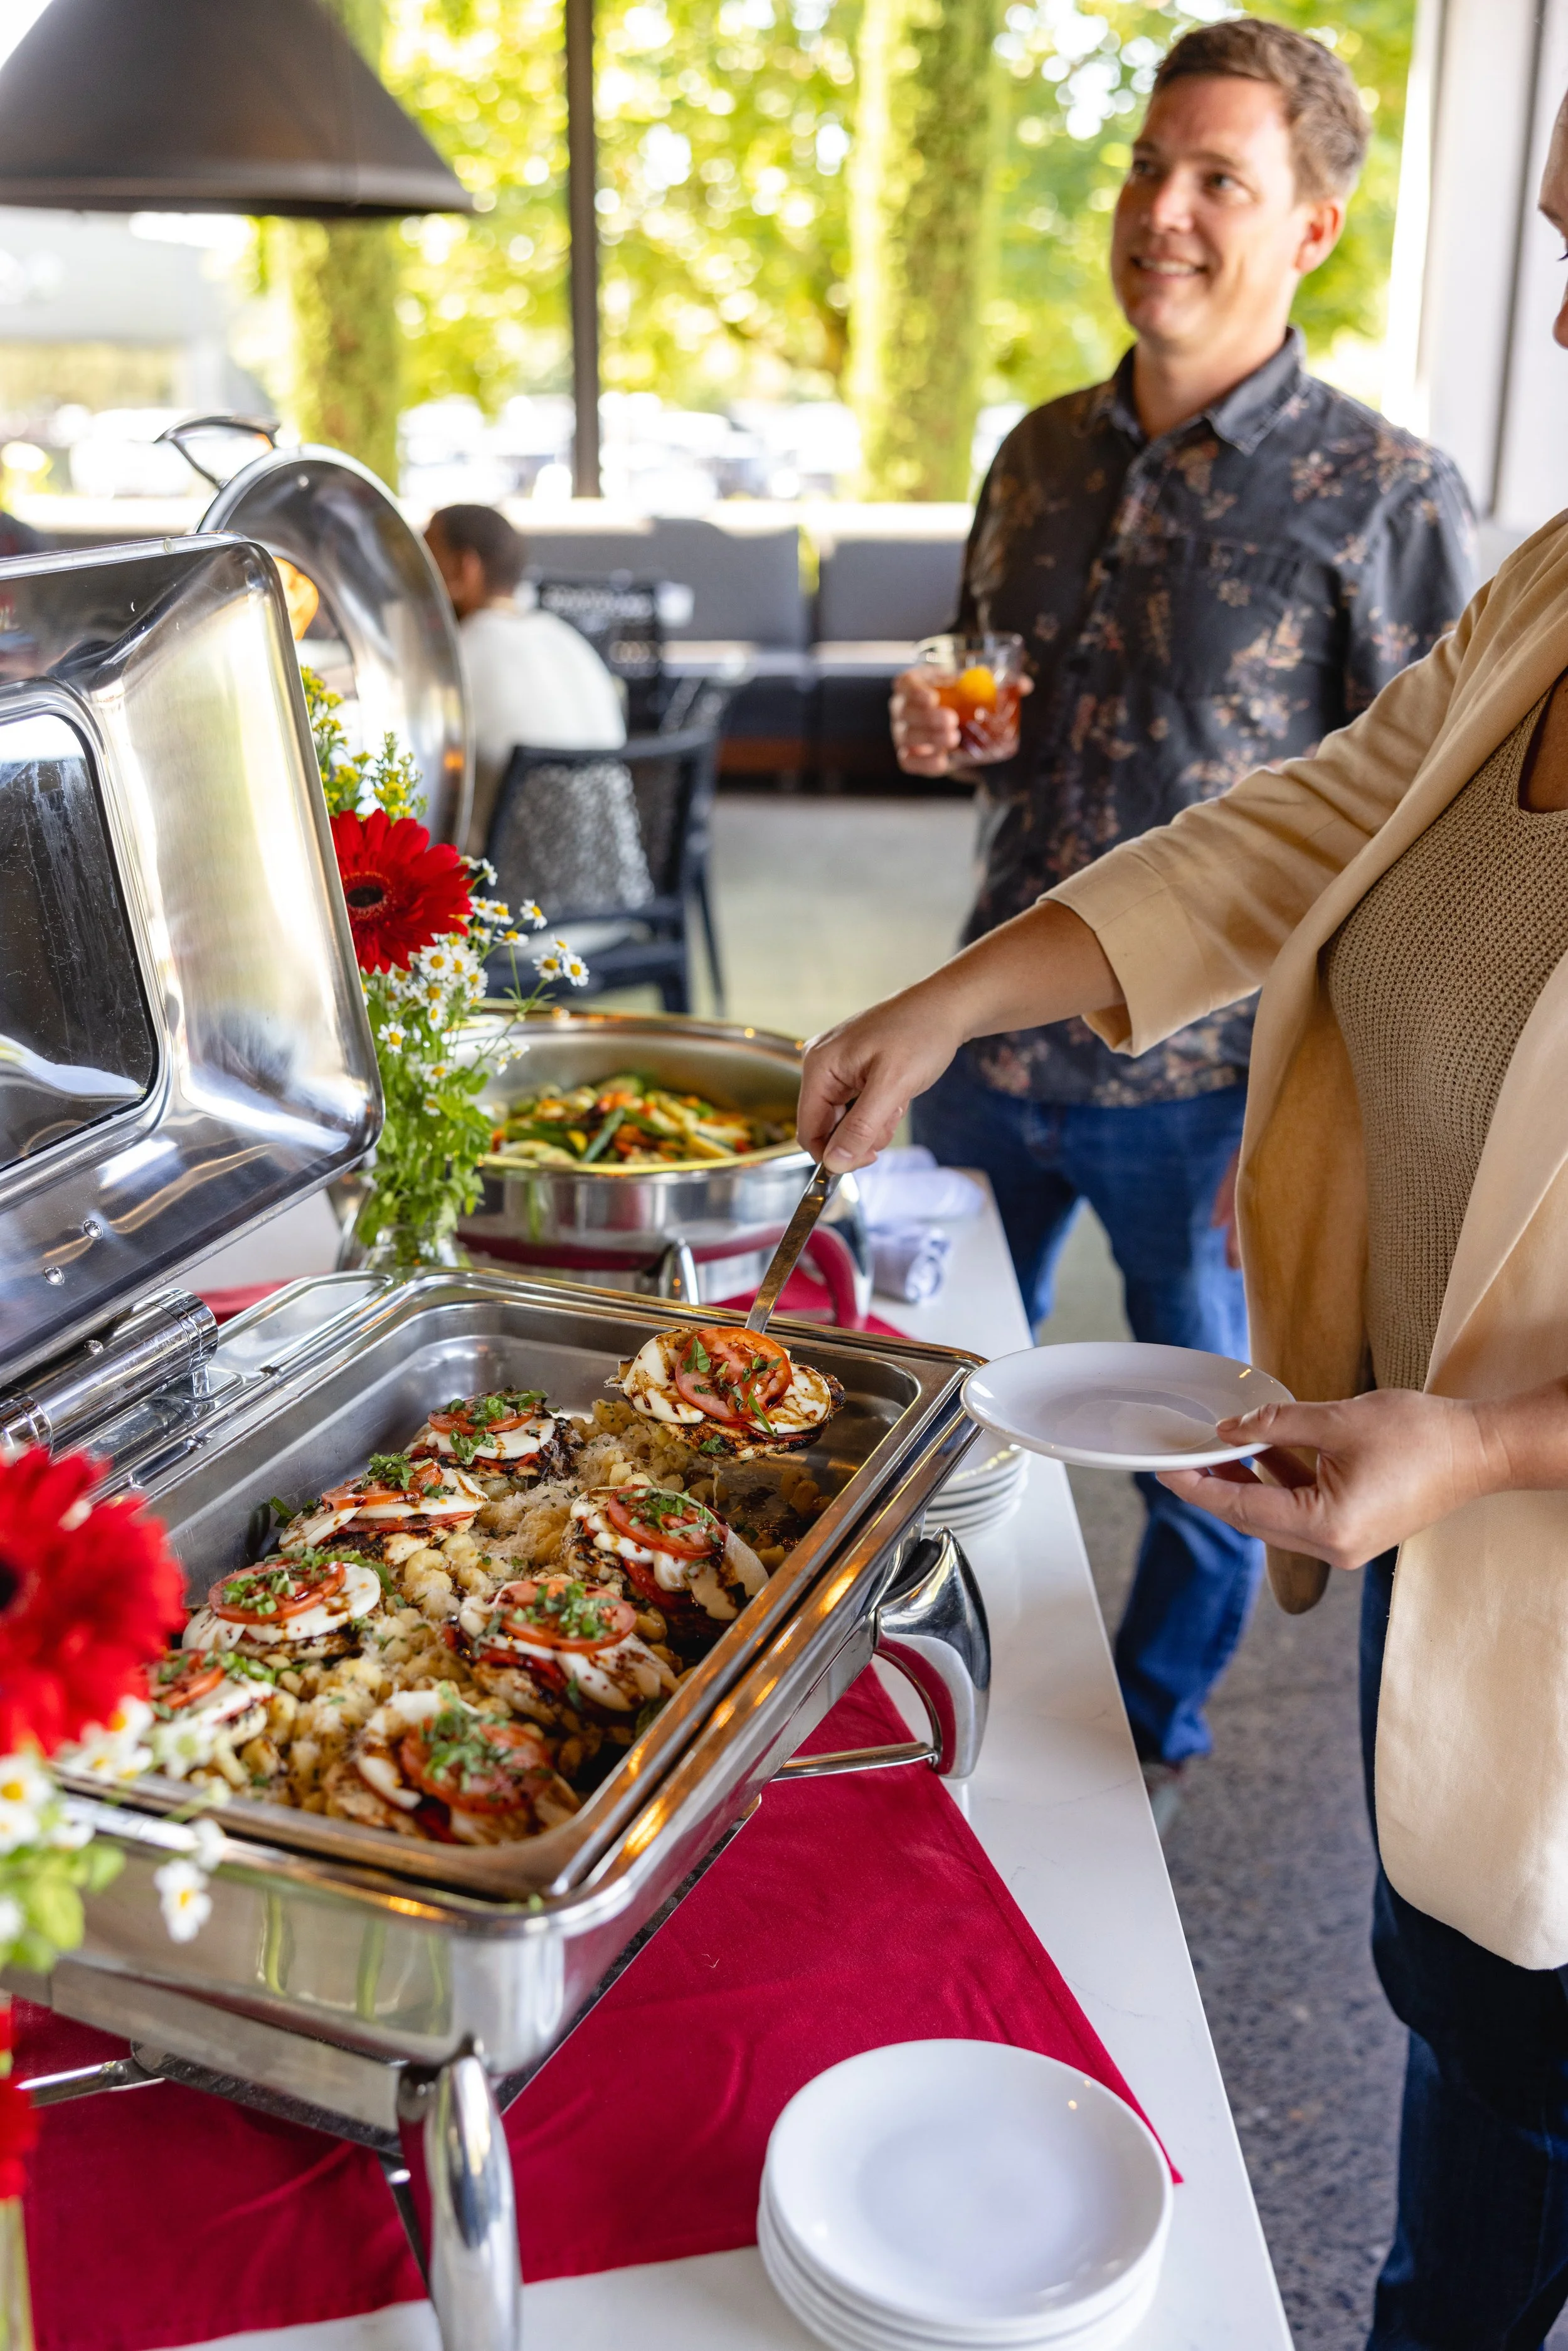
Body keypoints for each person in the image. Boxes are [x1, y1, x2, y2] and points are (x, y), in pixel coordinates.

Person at [799, 72, 1568, 2351]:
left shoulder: (1402, 502)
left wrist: (1498, 1442)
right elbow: (1290, 829)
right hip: (1458, 1568)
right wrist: (941, 1003)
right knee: (1468, 2095)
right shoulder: (1549, 589)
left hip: (1506, 1517)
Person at [892, 18, 1474, 1808]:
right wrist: (941, 731)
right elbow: (992, 702)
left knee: (1205, 1452)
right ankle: (916, 1664)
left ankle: (1143, 1731)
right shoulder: (1035, 454)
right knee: (925, 1383)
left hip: (1207, 1095)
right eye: (1150, 167)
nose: (1163, 210)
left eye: (1220, 176)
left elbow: (1424, 838)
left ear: (1308, 225)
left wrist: (1336, 1118)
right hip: (989, 1036)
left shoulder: (1385, 500)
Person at [424, 502, 627, 860]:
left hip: (511, 902)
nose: (416, 582)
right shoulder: (569, 640)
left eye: (426, 561)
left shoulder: (458, 659)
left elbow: (412, 776)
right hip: (612, 893)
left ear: (464, 570)